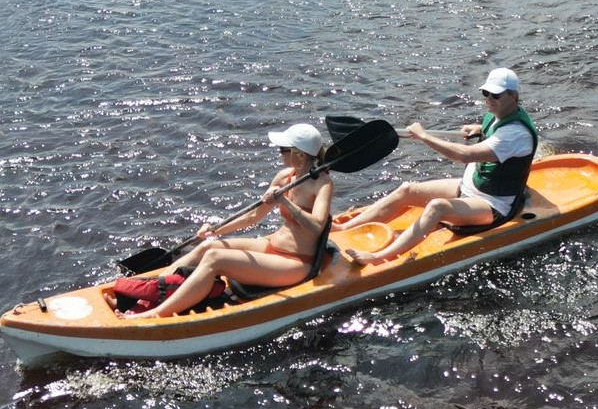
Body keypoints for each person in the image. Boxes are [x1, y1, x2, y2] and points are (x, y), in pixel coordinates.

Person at [122, 123, 333, 318]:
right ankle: (144, 292)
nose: (279, 154)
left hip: (295, 263)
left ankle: (157, 313)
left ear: (299, 155)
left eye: (282, 150)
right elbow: (253, 216)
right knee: (210, 246)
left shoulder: (322, 184)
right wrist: (215, 230)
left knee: (216, 258)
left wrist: (286, 203)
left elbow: (317, 226)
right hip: (272, 247)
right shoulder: (286, 176)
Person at [334, 68, 538, 266]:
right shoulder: (500, 114)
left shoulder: (515, 134)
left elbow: (463, 155)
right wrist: (478, 129)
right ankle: (343, 228)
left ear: (513, 96)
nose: (488, 99)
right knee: (407, 190)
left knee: (437, 207)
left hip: (492, 204)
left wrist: (424, 136)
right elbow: (495, 131)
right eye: (486, 93)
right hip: (469, 187)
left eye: (495, 95)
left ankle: (380, 258)